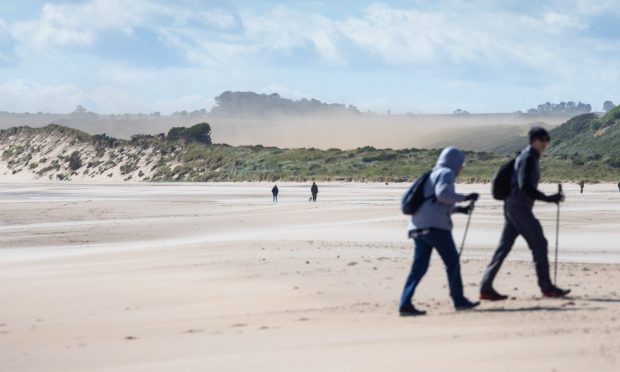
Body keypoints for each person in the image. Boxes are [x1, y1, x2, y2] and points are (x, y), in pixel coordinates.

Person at [480, 127, 570, 301]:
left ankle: (486, 288)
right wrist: (548, 198)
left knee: (503, 249)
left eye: (547, 140)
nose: (545, 143)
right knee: (540, 244)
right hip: (518, 208)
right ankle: (547, 287)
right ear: (534, 140)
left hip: (513, 207)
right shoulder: (528, 158)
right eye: (542, 139)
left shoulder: (529, 157)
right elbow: (524, 186)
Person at [399, 147, 480, 316]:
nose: (461, 167)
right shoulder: (446, 173)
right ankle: (459, 300)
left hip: (417, 228)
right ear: (454, 161)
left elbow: (434, 203)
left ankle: (405, 304)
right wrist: (466, 197)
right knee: (452, 263)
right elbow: (443, 195)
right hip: (436, 228)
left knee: (418, 268)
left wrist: (459, 210)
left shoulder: (430, 174)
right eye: (461, 163)